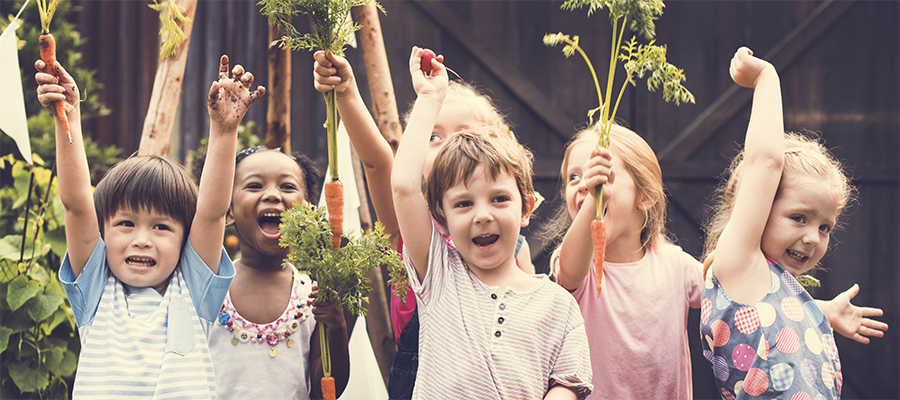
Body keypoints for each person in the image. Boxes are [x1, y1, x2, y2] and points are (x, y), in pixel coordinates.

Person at [312, 49, 534, 399]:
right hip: (425, 378)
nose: (450, 146)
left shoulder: (513, 244)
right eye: (433, 136)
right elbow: (378, 164)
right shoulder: (413, 225)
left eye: (466, 134)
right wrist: (347, 94)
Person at [39, 55, 263, 398]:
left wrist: (224, 131)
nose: (141, 240)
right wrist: (68, 118)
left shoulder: (193, 288)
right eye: (126, 224)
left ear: (185, 238)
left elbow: (211, 214)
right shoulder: (96, 290)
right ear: (103, 230)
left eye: (161, 227)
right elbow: (77, 205)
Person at [390, 46, 592, 399]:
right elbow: (403, 187)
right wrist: (428, 97)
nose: (483, 214)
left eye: (499, 199)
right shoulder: (439, 274)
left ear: (526, 208)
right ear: (442, 218)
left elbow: (569, 384)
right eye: (464, 204)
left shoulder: (558, 305)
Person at [700, 47, 887, 399]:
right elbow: (765, 162)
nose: (813, 238)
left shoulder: (768, 286)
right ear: (756, 205)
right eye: (798, 218)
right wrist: (765, 77)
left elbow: (768, 316)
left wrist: (821, 311)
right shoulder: (740, 265)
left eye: (824, 227)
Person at [542, 123, 703, 400]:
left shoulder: (677, 266)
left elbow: (729, 289)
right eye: (574, 177)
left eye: (604, 175)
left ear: (646, 196)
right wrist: (595, 196)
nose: (585, 184)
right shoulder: (578, 266)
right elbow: (569, 269)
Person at [194, 144, 352, 399]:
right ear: (228, 210)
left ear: (308, 213)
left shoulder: (312, 294)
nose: (272, 195)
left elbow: (327, 389)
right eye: (254, 186)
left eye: (287, 187)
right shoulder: (211, 288)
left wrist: (337, 326)